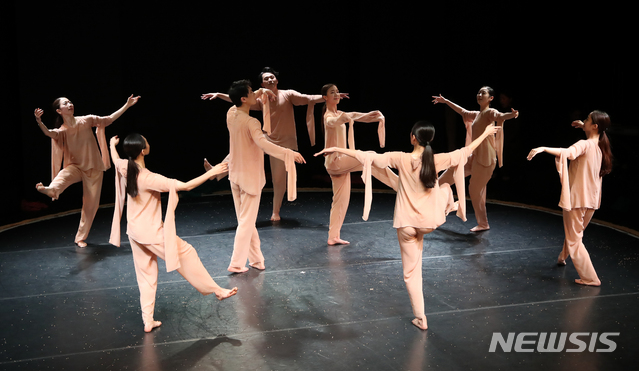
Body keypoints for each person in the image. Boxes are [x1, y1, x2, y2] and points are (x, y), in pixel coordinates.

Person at [315, 121, 501, 330]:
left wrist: (337, 148)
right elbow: (465, 151)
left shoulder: (401, 158)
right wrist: (485, 133)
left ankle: (421, 318)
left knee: (412, 273)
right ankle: (452, 207)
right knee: (446, 188)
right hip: (429, 221)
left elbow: (366, 156)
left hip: (406, 225)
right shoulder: (436, 160)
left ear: (413, 137)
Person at [108, 133, 238, 332]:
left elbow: (115, 159)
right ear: (143, 150)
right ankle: (217, 290)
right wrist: (212, 173)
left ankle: (148, 321)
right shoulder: (149, 178)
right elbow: (186, 186)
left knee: (146, 276)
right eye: (146, 141)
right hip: (151, 233)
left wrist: (111, 144)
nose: (149, 142)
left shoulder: (125, 167)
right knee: (187, 253)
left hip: (134, 232)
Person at [202, 67, 347, 221]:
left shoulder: (288, 94)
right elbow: (239, 99)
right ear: (262, 85)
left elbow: (308, 98)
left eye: (272, 77)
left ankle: (275, 212)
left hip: (284, 143)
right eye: (266, 79)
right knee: (239, 151)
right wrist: (220, 95)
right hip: (266, 138)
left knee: (279, 179)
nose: (270, 80)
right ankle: (215, 173)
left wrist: (327, 98)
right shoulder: (260, 100)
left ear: (277, 80)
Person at [221, 80, 306, 273]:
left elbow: (248, 98)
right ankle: (236, 263)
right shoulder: (252, 122)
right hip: (249, 178)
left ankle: (257, 260)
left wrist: (261, 91)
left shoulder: (231, 113)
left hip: (235, 176)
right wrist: (288, 153)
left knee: (247, 221)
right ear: (244, 98)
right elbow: (264, 145)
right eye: (251, 93)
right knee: (245, 222)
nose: (255, 95)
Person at [34, 95, 140, 247]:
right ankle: (52, 190)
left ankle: (80, 237)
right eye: (66, 103)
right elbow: (50, 133)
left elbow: (108, 119)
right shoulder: (62, 131)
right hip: (76, 166)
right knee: (64, 175)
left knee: (90, 206)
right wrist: (39, 121)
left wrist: (127, 105)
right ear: (59, 110)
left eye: (70, 101)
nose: (70, 104)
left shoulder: (86, 120)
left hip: (94, 168)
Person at [527, 110, 613, 286]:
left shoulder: (585, 144)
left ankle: (590, 278)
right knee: (575, 233)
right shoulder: (600, 145)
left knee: (574, 238)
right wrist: (584, 126)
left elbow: (568, 152)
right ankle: (562, 257)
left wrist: (543, 148)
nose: (584, 120)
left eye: (587, 119)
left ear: (595, 126)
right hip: (592, 201)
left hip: (578, 199)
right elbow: (590, 138)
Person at [320, 83, 398, 246]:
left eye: (337, 92)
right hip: (335, 162)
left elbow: (356, 116)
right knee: (369, 157)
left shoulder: (341, 113)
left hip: (341, 164)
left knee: (341, 201)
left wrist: (373, 116)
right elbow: (335, 121)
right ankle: (400, 185)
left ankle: (333, 236)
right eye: (332, 92)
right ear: (325, 97)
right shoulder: (328, 116)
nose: (336, 94)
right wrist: (345, 117)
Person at [432, 87, 519, 232]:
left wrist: (512, 114)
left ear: (490, 98)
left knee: (474, 190)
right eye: (478, 92)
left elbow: (500, 116)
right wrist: (446, 101)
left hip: (485, 160)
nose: (479, 95)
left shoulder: (490, 113)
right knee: (450, 173)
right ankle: (441, 205)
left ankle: (483, 223)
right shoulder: (478, 114)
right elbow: (462, 111)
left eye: (483, 93)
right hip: (474, 157)